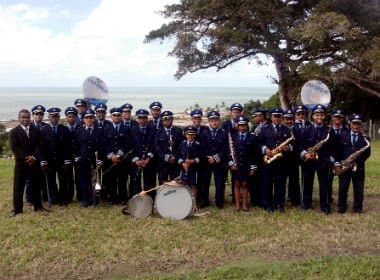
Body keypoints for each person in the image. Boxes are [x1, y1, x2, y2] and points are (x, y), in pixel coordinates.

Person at [300, 104, 336, 214]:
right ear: (313, 116)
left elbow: (335, 147)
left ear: (324, 116)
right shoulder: (306, 130)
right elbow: (301, 145)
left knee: (324, 185)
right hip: (309, 161)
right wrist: (305, 154)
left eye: (321, 115)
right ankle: (306, 204)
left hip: (323, 161)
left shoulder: (330, 131)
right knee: (307, 183)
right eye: (317, 115)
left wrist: (331, 159)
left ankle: (325, 206)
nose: (319, 117)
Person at [9, 109, 45, 217]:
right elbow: (15, 148)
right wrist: (27, 158)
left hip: (34, 163)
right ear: (19, 118)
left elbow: (39, 145)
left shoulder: (36, 130)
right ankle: (18, 209)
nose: (25, 119)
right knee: (18, 187)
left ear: (30, 118)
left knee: (36, 186)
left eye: (27, 117)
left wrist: (33, 157)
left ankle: (38, 206)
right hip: (21, 164)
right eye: (23, 117)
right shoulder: (14, 132)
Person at [257, 108, 293, 213]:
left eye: (279, 116)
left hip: (282, 162)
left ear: (282, 117)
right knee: (267, 183)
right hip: (269, 161)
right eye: (275, 116)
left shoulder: (287, 130)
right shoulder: (264, 129)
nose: (277, 118)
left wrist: (288, 148)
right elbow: (258, 143)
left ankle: (280, 204)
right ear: (271, 117)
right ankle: (268, 205)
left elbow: (294, 144)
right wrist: (265, 149)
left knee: (281, 184)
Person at [335, 114, 371, 214]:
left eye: (358, 124)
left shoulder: (365, 138)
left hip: (358, 167)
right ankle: (342, 206)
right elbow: (338, 151)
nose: (356, 126)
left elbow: (367, 154)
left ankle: (358, 208)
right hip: (344, 165)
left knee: (358, 189)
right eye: (354, 124)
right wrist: (339, 163)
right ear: (350, 124)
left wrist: (356, 162)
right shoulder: (342, 135)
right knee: (343, 187)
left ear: (361, 125)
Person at [40, 107, 72, 205]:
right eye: (52, 116)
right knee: (51, 181)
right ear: (49, 117)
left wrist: (67, 161)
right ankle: (53, 198)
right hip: (49, 160)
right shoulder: (43, 130)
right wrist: (43, 161)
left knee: (63, 181)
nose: (54, 118)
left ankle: (63, 199)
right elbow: (42, 147)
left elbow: (68, 146)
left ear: (59, 117)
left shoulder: (64, 129)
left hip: (61, 160)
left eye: (56, 116)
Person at [73, 109, 104, 207]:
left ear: (94, 119)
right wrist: (77, 157)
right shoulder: (79, 131)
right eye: (87, 118)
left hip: (95, 160)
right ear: (83, 119)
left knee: (95, 181)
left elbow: (102, 147)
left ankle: (95, 199)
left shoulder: (99, 131)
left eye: (91, 117)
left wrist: (100, 160)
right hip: (83, 160)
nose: (89, 119)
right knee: (84, 180)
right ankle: (85, 199)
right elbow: (75, 146)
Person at [199, 110, 228, 209]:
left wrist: (215, 158)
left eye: (216, 120)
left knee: (219, 182)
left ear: (219, 121)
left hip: (219, 162)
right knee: (205, 182)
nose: (214, 122)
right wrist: (208, 157)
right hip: (206, 162)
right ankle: (204, 201)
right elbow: (202, 148)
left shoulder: (223, 133)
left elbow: (225, 147)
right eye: (212, 120)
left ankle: (219, 202)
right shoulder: (203, 133)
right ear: (209, 121)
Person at [229, 116, 258, 211]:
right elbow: (229, 151)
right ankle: (237, 204)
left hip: (246, 165)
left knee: (245, 184)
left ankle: (245, 204)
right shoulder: (233, 137)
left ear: (247, 126)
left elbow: (255, 154)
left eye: (244, 125)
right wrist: (231, 163)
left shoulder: (252, 137)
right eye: (240, 125)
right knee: (237, 184)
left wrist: (253, 167)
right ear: (237, 126)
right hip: (236, 165)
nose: (242, 127)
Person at [103, 107, 131, 204]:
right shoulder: (106, 129)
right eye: (114, 115)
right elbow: (104, 144)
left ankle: (123, 198)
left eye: (118, 115)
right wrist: (111, 156)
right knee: (112, 179)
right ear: (111, 116)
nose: (116, 117)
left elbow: (127, 144)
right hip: (110, 160)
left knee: (122, 179)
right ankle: (113, 198)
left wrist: (119, 155)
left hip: (122, 159)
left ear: (121, 116)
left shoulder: (126, 129)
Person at [130, 109, 155, 197]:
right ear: (137, 118)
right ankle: (137, 199)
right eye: (140, 118)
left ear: (147, 118)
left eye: (144, 117)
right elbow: (130, 146)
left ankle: (150, 200)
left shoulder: (152, 130)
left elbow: (153, 146)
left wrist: (148, 158)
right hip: (136, 160)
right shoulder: (132, 130)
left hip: (148, 161)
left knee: (149, 182)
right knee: (136, 181)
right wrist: (136, 160)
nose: (142, 120)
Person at [154, 110, 183, 184]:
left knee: (175, 185)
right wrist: (167, 157)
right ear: (162, 121)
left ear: (172, 119)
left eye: (168, 119)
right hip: (162, 163)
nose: (166, 121)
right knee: (163, 185)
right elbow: (157, 148)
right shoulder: (158, 132)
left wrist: (175, 157)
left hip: (175, 163)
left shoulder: (178, 131)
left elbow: (181, 147)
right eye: (164, 120)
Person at [327, 109, 349, 204]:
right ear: (332, 118)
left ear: (342, 119)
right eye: (336, 117)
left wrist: (343, 161)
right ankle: (328, 199)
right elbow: (325, 147)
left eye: (339, 117)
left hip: (343, 160)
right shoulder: (327, 130)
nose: (337, 119)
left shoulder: (348, 131)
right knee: (328, 182)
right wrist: (332, 160)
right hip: (330, 160)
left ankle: (342, 203)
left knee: (343, 184)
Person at [177, 125, 202, 202]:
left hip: (194, 169)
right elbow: (178, 155)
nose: (190, 136)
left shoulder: (198, 145)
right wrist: (182, 163)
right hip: (184, 168)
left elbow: (200, 157)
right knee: (184, 185)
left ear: (195, 135)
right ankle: (185, 202)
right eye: (188, 134)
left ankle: (193, 203)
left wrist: (193, 161)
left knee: (193, 185)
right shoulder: (182, 144)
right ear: (185, 135)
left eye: (192, 134)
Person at [282, 109, 301, 207]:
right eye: (286, 119)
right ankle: (281, 200)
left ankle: (295, 201)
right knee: (281, 180)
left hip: (294, 159)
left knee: (294, 180)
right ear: (283, 119)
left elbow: (299, 144)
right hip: (282, 159)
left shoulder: (297, 130)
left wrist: (290, 147)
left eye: (290, 119)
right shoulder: (280, 129)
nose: (289, 121)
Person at [249, 108, 267, 207]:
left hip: (264, 156)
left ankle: (262, 200)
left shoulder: (267, 127)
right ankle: (254, 199)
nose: (254, 118)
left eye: (255, 116)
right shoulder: (254, 128)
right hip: (254, 156)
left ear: (261, 116)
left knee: (263, 180)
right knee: (253, 179)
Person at [64, 106, 80, 202]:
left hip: (78, 156)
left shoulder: (80, 127)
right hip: (68, 157)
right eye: (69, 116)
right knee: (68, 178)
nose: (71, 118)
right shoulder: (63, 129)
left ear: (76, 117)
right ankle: (69, 196)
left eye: (73, 116)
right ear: (66, 117)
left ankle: (80, 196)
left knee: (79, 177)